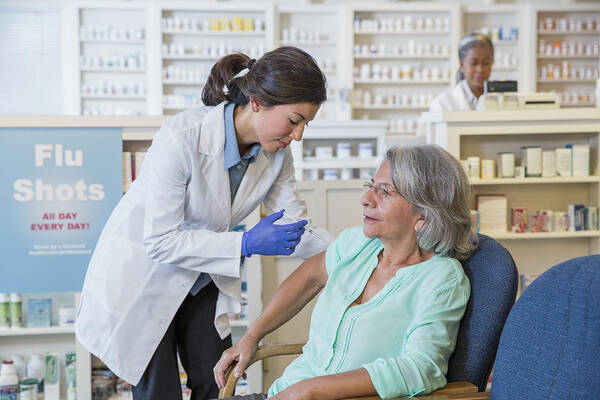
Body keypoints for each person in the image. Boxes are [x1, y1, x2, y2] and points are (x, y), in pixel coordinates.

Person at [75, 46, 333, 400]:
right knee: (159, 392)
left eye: (306, 123)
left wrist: (358, 252)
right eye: (293, 120)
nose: (299, 135)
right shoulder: (182, 137)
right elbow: (162, 240)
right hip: (146, 275)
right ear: (257, 101)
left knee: (217, 381)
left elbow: (296, 226)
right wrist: (244, 244)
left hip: (202, 277)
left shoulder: (276, 155)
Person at [214, 144, 479, 400]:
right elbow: (310, 276)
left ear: (425, 214)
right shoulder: (357, 244)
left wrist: (311, 390)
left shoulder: (442, 278)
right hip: (285, 393)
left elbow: (421, 368)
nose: (366, 200)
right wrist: (251, 337)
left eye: (384, 192)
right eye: (370, 186)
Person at [429, 33, 494, 112]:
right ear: (462, 64)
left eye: (486, 63)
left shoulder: (503, 101)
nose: (480, 69)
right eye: (474, 63)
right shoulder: (442, 103)